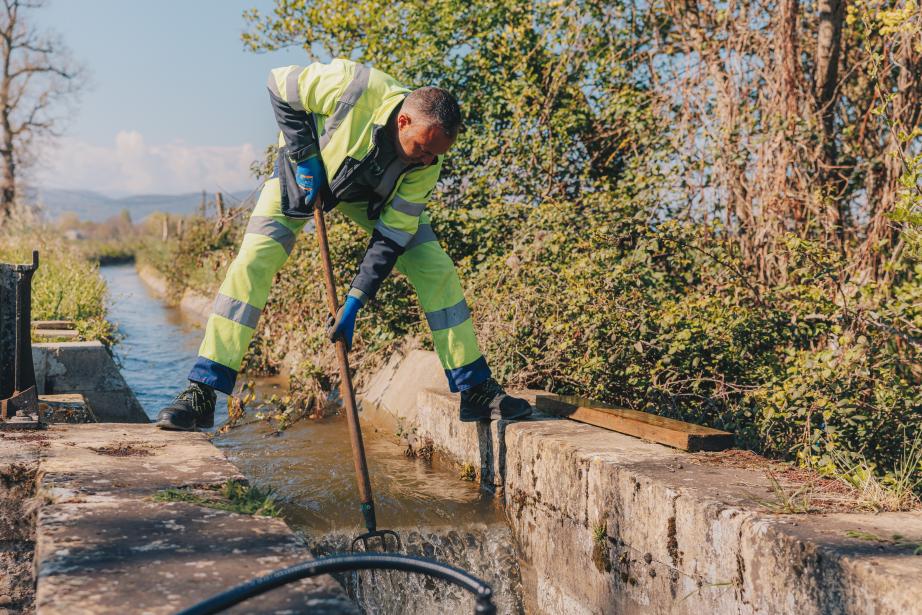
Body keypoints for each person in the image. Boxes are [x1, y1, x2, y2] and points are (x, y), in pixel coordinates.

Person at [155, 59, 532, 431]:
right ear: (404, 121)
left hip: (369, 197)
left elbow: (393, 235)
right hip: (303, 176)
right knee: (254, 258)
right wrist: (305, 155)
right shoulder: (355, 86)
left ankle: (474, 388)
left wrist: (354, 301)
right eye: (422, 148)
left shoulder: (426, 164)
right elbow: (280, 83)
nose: (429, 159)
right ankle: (201, 391)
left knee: (435, 266)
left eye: (436, 154)